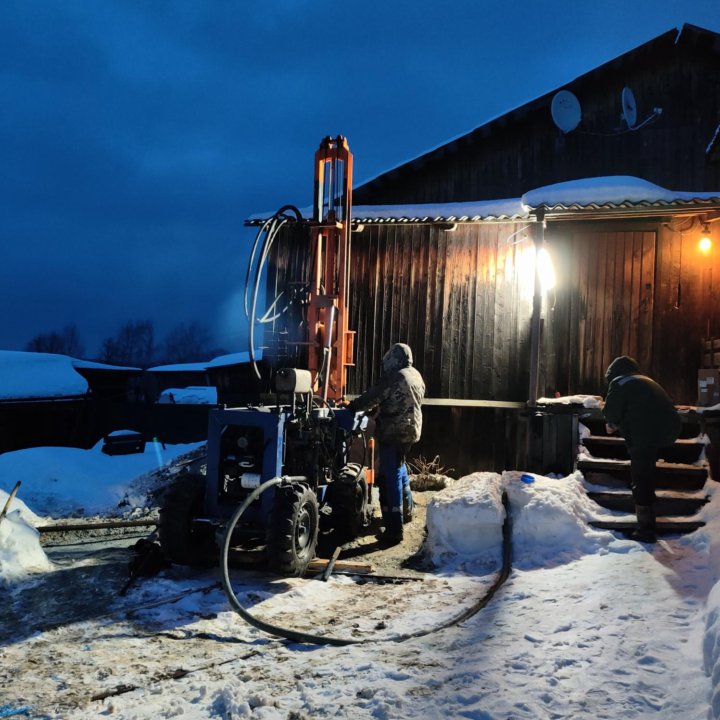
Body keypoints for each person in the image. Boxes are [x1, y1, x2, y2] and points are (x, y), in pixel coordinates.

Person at [347, 343, 425, 545]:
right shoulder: (415, 374)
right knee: (399, 468)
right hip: (410, 431)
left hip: (394, 433)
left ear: (392, 359)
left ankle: (394, 529)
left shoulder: (396, 376)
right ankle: (407, 509)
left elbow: (374, 396)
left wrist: (353, 406)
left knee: (390, 477)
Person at [602, 356, 681, 543]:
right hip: (669, 429)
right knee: (647, 468)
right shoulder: (648, 380)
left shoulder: (619, 382)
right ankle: (649, 499)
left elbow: (610, 412)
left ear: (612, 373)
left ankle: (646, 529)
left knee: (641, 474)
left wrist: (612, 423)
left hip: (644, 433)